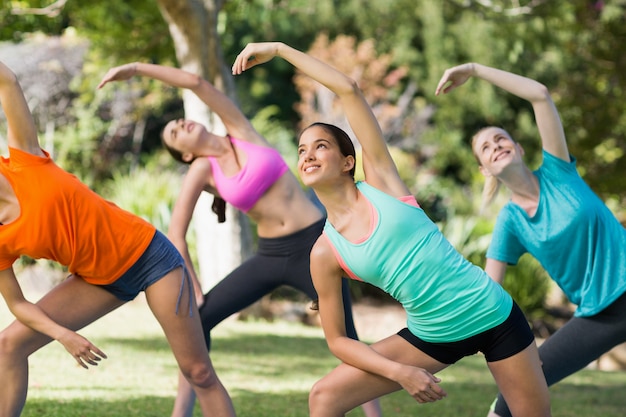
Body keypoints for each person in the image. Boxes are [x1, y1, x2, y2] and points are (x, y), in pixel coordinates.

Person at [231, 41, 553, 417]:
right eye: (302, 151)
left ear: (348, 161)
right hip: (432, 335)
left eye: (320, 146)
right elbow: (337, 340)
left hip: (491, 314)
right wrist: (399, 372)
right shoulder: (324, 251)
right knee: (324, 396)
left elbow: (348, 89)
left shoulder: (381, 180)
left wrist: (282, 50)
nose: (309, 155)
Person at [97, 62, 382, 417]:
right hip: (270, 255)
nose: (179, 125)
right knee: (198, 322)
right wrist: (194, 287)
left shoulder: (240, 130)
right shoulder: (203, 170)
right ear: (186, 154)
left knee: (346, 337)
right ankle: (180, 413)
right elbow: (175, 236)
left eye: (179, 122)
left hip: (315, 245)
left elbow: (197, 81)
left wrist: (138, 69)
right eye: (173, 133)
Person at [0, 61, 236, 417]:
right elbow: (18, 304)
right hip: (98, 280)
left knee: (198, 372)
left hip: (151, 258)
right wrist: (63, 334)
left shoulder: (23, 159)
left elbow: (7, 80)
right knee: (9, 345)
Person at [435, 62, 626, 417]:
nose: (496, 147)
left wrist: (475, 70)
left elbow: (539, 95)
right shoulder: (510, 221)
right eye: (486, 148)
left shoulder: (559, 170)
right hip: (598, 315)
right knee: (517, 390)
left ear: (519, 148)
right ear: (485, 170)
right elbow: (490, 293)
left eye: (500, 139)